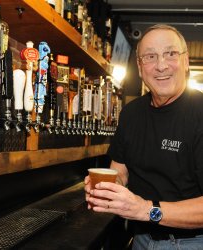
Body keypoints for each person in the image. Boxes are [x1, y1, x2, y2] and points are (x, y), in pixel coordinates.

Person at [84, 24, 203, 250]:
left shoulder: (200, 113)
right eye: (150, 56)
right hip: (141, 239)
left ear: (186, 61)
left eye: (170, 54)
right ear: (139, 68)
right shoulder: (131, 113)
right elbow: (120, 170)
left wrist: (145, 209)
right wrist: (107, 188)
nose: (161, 65)